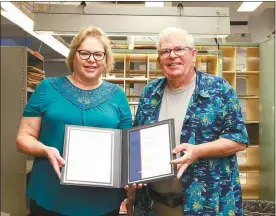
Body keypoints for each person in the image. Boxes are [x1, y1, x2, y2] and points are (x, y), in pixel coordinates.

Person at [130, 27, 249, 216]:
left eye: (179, 49)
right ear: (159, 58)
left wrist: (198, 151)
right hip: (155, 205)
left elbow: (238, 139)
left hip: (207, 205)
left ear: (193, 54)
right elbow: (136, 141)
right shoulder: (150, 93)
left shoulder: (219, 89)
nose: (172, 55)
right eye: (165, 51)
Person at [16, 25, 132, 216]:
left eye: (98, 54)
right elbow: (23, 137)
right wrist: (44, 149)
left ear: (106, 59)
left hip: (102, 199)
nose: (91, 60)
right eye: (84, 53)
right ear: (73, 55)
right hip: (51, 194)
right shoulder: (47, 88)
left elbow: (127, 146)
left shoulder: (117, 95)